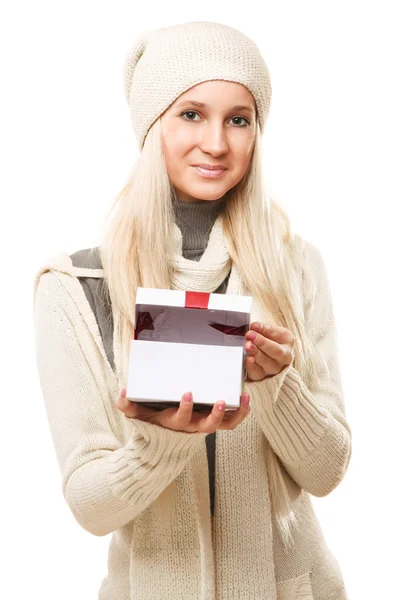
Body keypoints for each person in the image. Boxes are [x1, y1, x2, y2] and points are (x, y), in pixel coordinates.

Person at [33, 20, 352, 600]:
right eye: (191, 114)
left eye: (239, 119)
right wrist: (163, 443)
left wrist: (278, 385)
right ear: (152, 124)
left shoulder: (296, 266)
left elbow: (327, 472)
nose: (217, 143)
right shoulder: (78, 287)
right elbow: (89, 506)